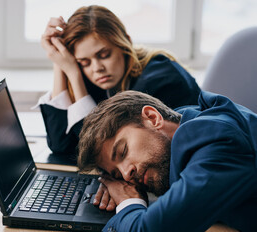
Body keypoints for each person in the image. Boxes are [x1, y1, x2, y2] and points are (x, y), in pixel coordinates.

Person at [77, 90, 257, 232]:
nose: (127, 174)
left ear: (153, 118)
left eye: (123, 151)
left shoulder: (218, 141)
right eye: (117, 173)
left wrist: (127, 201)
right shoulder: (185, 121)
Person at [38, 5, 201, 154]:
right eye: (84, 62)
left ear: (126, 43)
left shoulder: (160, 81)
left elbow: (102, 152)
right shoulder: (97, 80)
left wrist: (74, 74)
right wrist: (59, 61)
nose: (96, 68)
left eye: (104, 55)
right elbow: (60, 145)